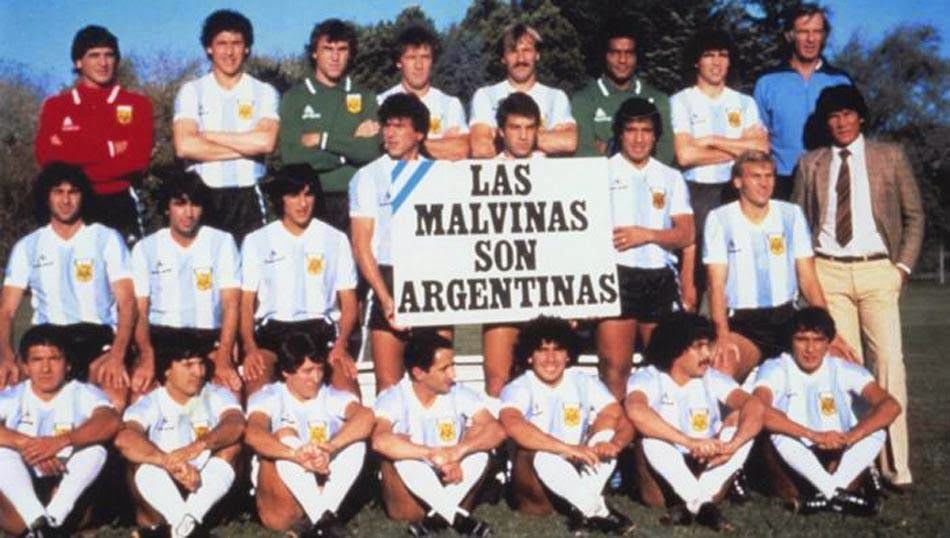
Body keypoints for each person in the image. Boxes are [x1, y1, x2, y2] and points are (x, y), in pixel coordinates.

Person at [792, 84, 924, 490]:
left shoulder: (890, 156)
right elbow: (797, 224)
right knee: (844, 369)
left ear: (861, 117)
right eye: (833, 116)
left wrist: (900, 269)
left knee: (888, 366)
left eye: (848, 114)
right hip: (828, 272)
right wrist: (807, 278)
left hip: (877, 271)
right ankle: (856, 468)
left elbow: (915, 216)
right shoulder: (810, 163)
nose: (841, 122)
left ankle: (896, 467)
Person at [704, 150, 855, 382]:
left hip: (788, 320)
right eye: (756, 176)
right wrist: (722, 335)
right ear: (738, 181)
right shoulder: (720, 219)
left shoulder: (791, 215)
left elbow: (808, 279)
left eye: (769, 176)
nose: (764, 183)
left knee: (845, 362)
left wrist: (829, 331)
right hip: (744, 325)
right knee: (722, 368)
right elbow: (716, 285)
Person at [0, 163, 135, 409]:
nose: (65, 200)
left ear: (83, 196)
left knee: (115, 401)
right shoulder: (28, 246)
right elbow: (6, 311)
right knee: (5, 390)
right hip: (47, 340)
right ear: (47, 197)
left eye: (73, 192)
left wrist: (117, 355)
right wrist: (7, 357)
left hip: (96, 338)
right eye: (58, 192)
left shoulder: (106, 238)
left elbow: (127, 303)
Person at [753, 307, 901, 516]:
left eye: (818, 340)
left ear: (829, 343)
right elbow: (759, 410)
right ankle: (838, 494)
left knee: (877, 429)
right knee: (777, 431)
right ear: (791, 341)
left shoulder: (844, 369)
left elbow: (891, 406)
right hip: (797, 452)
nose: (810, 349)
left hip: (838, 450)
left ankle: (826, 494)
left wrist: (851, 436)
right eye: (801, 339)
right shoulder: (776, 367)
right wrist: (813, 435)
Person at [350, 93, 453, 393]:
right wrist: (385, 299)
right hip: (388, 276)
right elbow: (361, 245)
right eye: (387, 126)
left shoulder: (442, 174)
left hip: (432, 279)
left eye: (400, 126)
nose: (390, 134)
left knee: (437, 378)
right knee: (388, 384)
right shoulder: (368, 176)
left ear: (419, 133)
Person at [625, 312, 763, 531]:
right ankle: (703, 504)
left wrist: (732, 446)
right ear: (676, 349)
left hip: (706, 467)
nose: (707, 354)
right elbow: (636, 410)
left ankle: (695, 502)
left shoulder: (711, 378)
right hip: (666, 473)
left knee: (741, 427)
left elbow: (754, 406)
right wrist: (689, 442)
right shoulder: (649, 376)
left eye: (708, 346)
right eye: (698, 347)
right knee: (650, 437)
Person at [499, 316, 634, 535]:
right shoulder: (520, 386)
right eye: (542, 350)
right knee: (538, 453)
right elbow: (514, 425)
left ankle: (582, 509)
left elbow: (616, 414)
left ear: (568, 354)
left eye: (558, 350)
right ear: (530, 357)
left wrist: (612, 443)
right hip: (536, 478)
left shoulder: (581, 380)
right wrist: (568, 449)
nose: (550, 358)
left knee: (607, 434)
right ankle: (599, 510)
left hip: (575, 468)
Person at [598, 97, 695, 400]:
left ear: (655, 136)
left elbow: (686, 233)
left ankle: (653, 427)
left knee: (663, 366)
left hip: (659, 277)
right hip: (617, 276)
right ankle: (614, 428)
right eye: (631, 130)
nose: (638, 139)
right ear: (620, 133)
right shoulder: (600, 172)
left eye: (646, 131)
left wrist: (647, 235)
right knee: (616, 368)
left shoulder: (671, 177)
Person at [240, 165, 359, 397]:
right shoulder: (256, 241)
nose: (303, 203)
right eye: (294, 195)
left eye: (308, 194)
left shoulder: (336, 239)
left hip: (320, 330)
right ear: (281, 198)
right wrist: (250, 347)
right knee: (256, 395)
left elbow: (349, 302)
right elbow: (245, 304)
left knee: (350, 395)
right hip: (273, 332)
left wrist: (341, 344)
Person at [671, 29, 768, 307]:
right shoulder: (681, 101)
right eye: (709, 55)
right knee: (696, 276)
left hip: (735, 192)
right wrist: (738, 148)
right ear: (696, 61)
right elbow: (685, 155)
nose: (716, 62)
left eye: (723, 55)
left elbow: (760, 151)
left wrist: (712, 139)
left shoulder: (745, 103)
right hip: (696, 193)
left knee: (736, 269)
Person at [115, 330, 245, 538]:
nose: (198, 372)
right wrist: (168, 462)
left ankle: (180, 527)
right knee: (138, 456)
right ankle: (187, 526)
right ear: (167, 370)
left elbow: (235, 424)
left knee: (232, 446)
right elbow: (125, 438)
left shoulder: (215, 394)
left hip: (204, 486)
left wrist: (197, 446)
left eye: (201, 364)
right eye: (188, 365)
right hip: (164, 486)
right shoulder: (151, 402)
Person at [373, 332, 504, 537]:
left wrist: (457, 452)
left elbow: (496, 430)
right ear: (419, 373)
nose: (453, 374)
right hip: (414, 478)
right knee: (403, 459)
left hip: (452, 474)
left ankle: (437, 517)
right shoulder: (395, 396)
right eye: (444, 369)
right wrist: (432, 454)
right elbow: (380, 441)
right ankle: (456, 517)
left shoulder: (457, 392)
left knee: (479, 454)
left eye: (453, 366)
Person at [34, 25, 153, 246]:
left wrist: (70, 150)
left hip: (118, 203)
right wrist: (110, 149)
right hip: (71, 202)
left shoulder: (138, 104)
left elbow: (137, 160)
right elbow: (47, 157)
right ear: (78, 62)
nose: (103, 63)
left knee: (125, 265)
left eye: (109, 55)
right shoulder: (57, 106)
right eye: (94, 55)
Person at [245, 332, 374, 536]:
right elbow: (253, 433)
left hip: (323, 479)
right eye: (307, 371)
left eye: (320, 369)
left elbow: (365, 417)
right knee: (285, 434)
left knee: (356, 443)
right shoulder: (270, 395)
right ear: (286, 372)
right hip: (282, 490)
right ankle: (325, 520)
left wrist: (331, 447)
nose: (316, 378)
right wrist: (296, 455)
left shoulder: (329, 395)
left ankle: (319, 522)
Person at [0, 325, 121, 537]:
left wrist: (60, 442)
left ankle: (52, 519)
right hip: (22, 486)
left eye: (54, 359)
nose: (46, 369)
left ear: (68, 364)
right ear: (25, 366)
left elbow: (110, 421)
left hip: (64, 483)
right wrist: (31, 446)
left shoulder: (82, 392)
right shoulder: (13, 396)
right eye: (37, 360)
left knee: (95, 450)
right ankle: (39, 521)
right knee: (2, 452)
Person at [130, 171, 242, 397]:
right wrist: (146, 355)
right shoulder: (145, 248)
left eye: (195, 205)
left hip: (207, 335)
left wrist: (224, 355)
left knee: (230, 392)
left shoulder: (222, 242)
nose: (189, 213)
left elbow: (231, 304)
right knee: (141, 392)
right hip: (163, 336)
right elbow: (140, 310)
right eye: (180, 204)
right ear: (167, 208)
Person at [172, 9, 279, 244]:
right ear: (209, 48)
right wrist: (246, 147)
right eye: (221, 44)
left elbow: (266, 142)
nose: (229, 52)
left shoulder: (264, 91)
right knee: (207, 264)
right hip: (204, 194)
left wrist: (208, 135)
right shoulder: (192, 91)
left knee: (252, 265)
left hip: (250, 194)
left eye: (236, 44)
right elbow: (185, 146)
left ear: (247, 48)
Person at [280, 18, 381, 232]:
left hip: (358, 199)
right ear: (314, 53)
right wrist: (349, 149)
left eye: (342, 49)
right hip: (312, 200)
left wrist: (322, 140)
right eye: (328, 49)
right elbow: (293, 157)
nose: (335, 57)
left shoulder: (366, 97)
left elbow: (371, 151)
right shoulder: (294, 98)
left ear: (350, 54)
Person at [480, 93, 545, 399]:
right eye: (515, 127)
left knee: (545, 377)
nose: (522, 136)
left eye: (529, 128)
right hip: (501, 288)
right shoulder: (482, 174)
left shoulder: (556, 173)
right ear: (500, 131)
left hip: (546, 289)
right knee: (498, 380)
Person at [753, 3, 851, 200]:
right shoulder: (767, 83)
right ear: (790, 35)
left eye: (817, 32)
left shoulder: (840, 81)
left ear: (824, 36)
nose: (811, 39)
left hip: (831, 180)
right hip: (781, 183)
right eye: (803, 32)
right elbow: (758, 140)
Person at [572, 18, 674, 163]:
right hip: (604, 178)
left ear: (637, 56)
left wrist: (609, 149)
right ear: (604, 55)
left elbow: (665, 153)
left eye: (629, 53)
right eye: (615, 53)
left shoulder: (658, 99)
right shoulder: (583, 99)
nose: (622, 60)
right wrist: (638, 154)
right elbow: (586, 155)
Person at [469, 23, 576, 158]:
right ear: (503, 58)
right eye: (513, 51)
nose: (521, 58)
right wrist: (545, 136)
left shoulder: (556, 97)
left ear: (537, 54)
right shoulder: (485, 96)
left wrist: (506, 136)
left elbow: (569, 142)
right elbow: (481, 147)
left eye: (527, 50)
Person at [377, 25, 469, 160]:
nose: (419, 65)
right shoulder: (380, 102)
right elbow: (377, 147)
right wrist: (440, 145)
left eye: (425, 57)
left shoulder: (450, 104)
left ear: (432, 61)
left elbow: (460, 150)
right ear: (399, 62)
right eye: (411, 57)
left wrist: (407, 142)